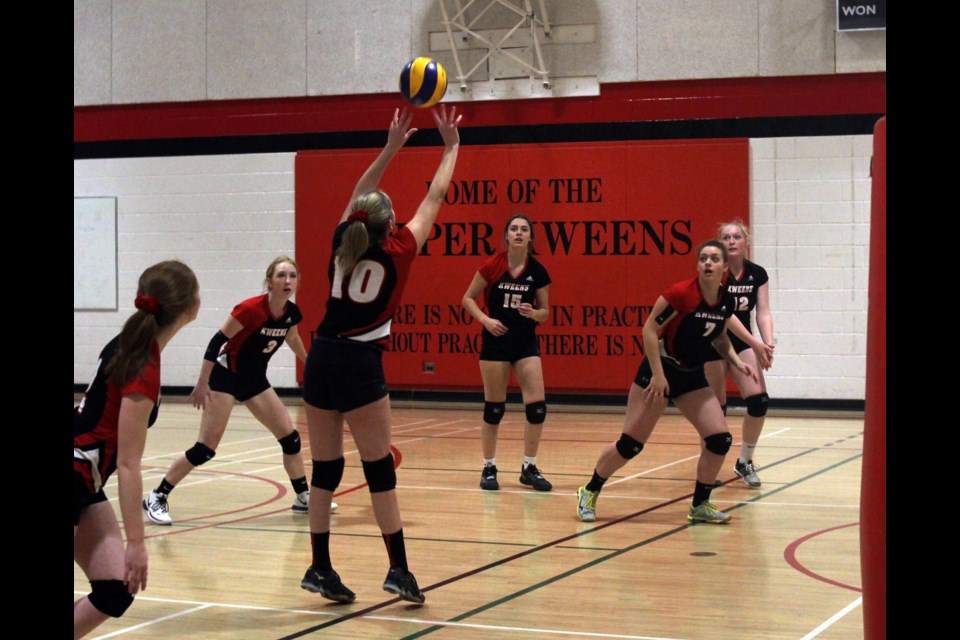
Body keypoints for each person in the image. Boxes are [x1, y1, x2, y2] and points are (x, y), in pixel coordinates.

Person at [298, 105, 461, 604]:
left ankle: (320, 568)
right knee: (378, 470)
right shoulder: (401, 249)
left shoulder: (340, 241)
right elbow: (435, 194)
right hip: (359, 362)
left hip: (321, 355)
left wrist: (390, 147)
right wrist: (451, 146)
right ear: (390, 224)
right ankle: (399, 570)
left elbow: (360, 194)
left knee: (325, 471)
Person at [575, 240, 773, 525]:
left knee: (719, 439)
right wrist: (657, 374)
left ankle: (700, 505)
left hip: (691, 375)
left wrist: (736, 360)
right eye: (703, 258)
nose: (708, 263)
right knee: (630, 444)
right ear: (697, 265)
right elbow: (649, 330)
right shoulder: (680, 294)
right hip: (659, 373)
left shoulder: (725, 300)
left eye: (714, 259)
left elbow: (718, 336)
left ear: (724, 268)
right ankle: (589, 489)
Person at [142, 256, 336, 525]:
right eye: (281, 275)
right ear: (269, 282)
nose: (287, 281)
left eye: (292, 276)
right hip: (225, 377)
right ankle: (157, 495)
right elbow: (217, 342)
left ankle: (303, 495)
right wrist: (203, 382)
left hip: (254, 379)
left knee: (290, 439)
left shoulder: (292, 314)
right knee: (205, 449)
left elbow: (292, 338)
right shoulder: (250, 310)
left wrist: (312, 366)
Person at [74, 260, 201, 638]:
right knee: (123, 574)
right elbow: (129, 465)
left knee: (114, 588)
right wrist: (137, 543)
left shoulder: (132, 345)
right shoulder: (141, 363)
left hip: (85, 480)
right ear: (190, 307)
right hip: (77, 473)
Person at [461, 214, 552, 492]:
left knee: (537, 407)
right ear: (506, 236)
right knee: (494, 408)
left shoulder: (537, 271)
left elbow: (545, 312)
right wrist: (486, 320)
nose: (519, 233)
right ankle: (489, 467)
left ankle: (529, 466)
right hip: (496, 343)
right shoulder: (492, 266)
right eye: (514, 229)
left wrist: (533, 312)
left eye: (524, 229)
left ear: (530, 237)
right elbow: (467, 299)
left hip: (525, 343)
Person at [703, 220, 775, 488]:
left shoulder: (757, 273)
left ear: (746, 242)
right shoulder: (714, 273)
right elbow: (726, 315)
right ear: (719, 243)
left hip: (743, 341)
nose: (731, 241)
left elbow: (763, 312)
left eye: (736, 237)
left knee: (759, 401)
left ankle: (744, 461)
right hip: (712, 341)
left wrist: (767, 344)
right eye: (726, 237)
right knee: (715, 408)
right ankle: (710, 465)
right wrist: (756, 343)